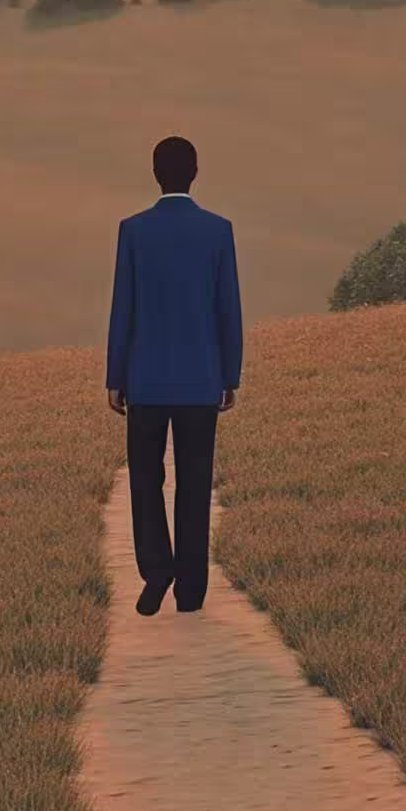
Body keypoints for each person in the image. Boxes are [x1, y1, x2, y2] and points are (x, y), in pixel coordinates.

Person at [106, 132, 242, 613]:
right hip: (201, 379)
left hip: (145, 379)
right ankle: (191, 590)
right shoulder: (218, 230)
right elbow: (229, 309)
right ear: (196, 172)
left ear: (155, 173)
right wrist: (231, 374)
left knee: (145, 479)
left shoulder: (133, 230)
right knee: (194, 483)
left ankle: (156, 571)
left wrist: (115, 376)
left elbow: (124, 307)